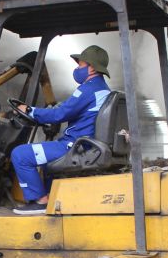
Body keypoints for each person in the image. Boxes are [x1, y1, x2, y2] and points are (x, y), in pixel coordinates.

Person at [10, 45, 112, 215]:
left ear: (92, 68)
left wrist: (29, 111)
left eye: (80, 65)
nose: (77, 69)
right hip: (85, 145)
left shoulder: (89, 89)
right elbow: (67, 110)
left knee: (20, 154)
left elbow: (60, 114)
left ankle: (41, 201)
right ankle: (51, 196)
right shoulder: (102, 89)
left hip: (73, 147)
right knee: (47, 164)